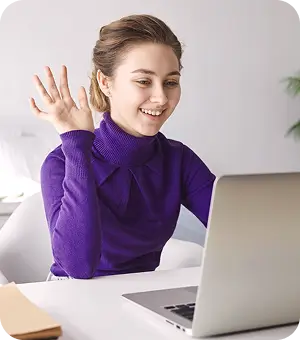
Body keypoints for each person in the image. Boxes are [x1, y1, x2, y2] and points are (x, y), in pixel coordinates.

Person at [29, 14, 216, 281]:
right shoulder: (61, 162)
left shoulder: (179, 159)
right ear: (105, 83)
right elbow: (78, 268)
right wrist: (76, 146)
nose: (161, 97)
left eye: (171, 82)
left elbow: (238, 232)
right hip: (71, 294)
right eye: (143, 81)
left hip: (140, 295)